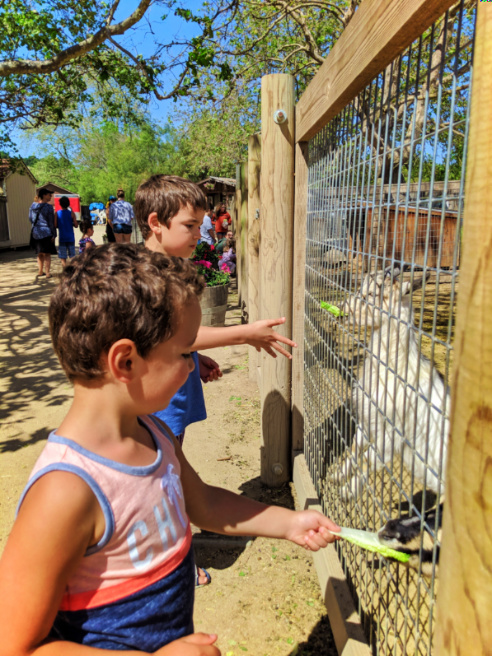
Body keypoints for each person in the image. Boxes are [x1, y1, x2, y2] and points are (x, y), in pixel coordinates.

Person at [0, 243, 340, 655]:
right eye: (185, 353)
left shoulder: (154, 433)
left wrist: (288, 523)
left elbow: (205, 505)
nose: (192, 365)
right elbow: (15, 645)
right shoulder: (66, 492)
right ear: (125, 362)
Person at [134, 175, 299, 586]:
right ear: (156, 222)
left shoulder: (172, 267)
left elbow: (178, 337)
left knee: (172, 467)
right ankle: (171, 556)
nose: (200, 233)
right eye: (190, 225)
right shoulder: (147, 274)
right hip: (159, 393)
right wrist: (244, 333)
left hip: (175, 379)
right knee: (162, 474)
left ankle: (181, 532)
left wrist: (195, 354)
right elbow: (170, 336)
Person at [30, 187, 57, 280]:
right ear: (44, 195)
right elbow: (51, 222)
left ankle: (40, 271)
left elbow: (30, 219)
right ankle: (48, 273)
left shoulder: (33, 206)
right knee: (47, 254)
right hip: (46, 232)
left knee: (40, 253)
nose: (51, 197)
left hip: (36, 233)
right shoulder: (48, 207)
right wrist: (54, 234)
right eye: (49, 195)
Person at [55, 196, 78, 268]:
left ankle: (65, 270)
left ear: (60, 204)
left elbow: (55, 225)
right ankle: (73, 269)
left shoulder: (57, 213)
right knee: (72, 255)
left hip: (62, 237)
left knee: (63, 256)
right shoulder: (71, 213)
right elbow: (76, 225)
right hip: (70, 237)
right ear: (68, 204)